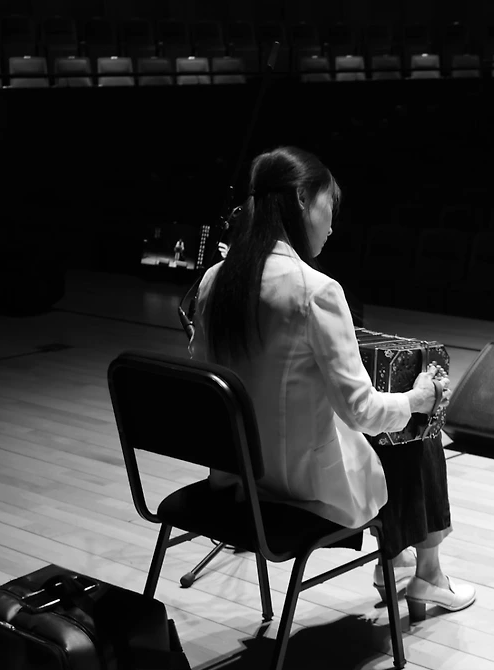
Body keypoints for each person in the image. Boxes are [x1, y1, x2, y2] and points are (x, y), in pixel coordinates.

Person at [188, 146, 475, 620]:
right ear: (302, 199)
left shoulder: (214, 280)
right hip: (301, 491)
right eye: (329, 208)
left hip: (236, 481)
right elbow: (361, 412)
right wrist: (417, 398)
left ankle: (402, 562)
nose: (332, 225)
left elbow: (208, 389)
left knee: (397, 419)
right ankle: (425, 572)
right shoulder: (315, 289)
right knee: (416, 427)